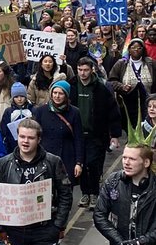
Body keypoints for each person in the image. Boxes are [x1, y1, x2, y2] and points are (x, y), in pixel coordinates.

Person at [72, 57, 122, 206]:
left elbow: (113, 111)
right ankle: (85, 193)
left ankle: (94, 192)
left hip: (96, 134)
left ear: (92, 69)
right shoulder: (72, 85)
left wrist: (115, 135)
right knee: (81, 164)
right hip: (77, 133)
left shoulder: (101, 87)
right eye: (80, 70)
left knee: (93, 164)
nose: (83, 73)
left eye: (86, 70)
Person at [32, 80, 84, 184]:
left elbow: (79, 139)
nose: (57, 96)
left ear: (66, 95)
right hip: (45, 158)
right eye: (55, 93)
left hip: (67, 158)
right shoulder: (41, 111)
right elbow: (34, 135)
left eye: (61, 93)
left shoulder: (74, 112)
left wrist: (79, 162)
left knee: (66, 191)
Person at [109, 38, 156, 129]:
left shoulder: (151, 63)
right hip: (128, 103)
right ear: (129, 50)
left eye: (139, 48)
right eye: (133, 47)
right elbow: (111, 81)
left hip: (148, 102)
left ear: (143, 50)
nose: (136, 50)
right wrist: (121, 86)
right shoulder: (121, 63)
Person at [0, 82, 33, 155]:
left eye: (22, 96)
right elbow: (4, 130)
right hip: (12, 145)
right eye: (16, 97)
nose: (19, 99)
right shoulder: (8, 112)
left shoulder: (32, 110)